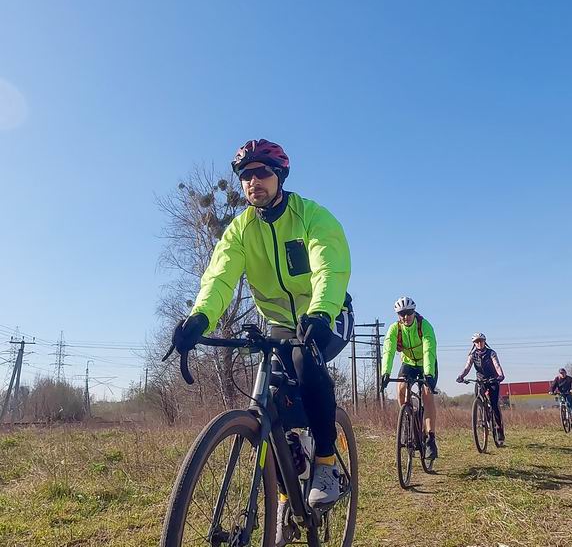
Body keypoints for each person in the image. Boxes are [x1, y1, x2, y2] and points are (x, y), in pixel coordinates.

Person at [165, 139, 353, 545]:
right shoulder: (240, 230)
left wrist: (321, 311)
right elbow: (219, 277)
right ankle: (285, 495)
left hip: (328, 314)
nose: (254, 181)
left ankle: (325, 462)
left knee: (305, 363)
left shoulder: (311, 216)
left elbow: (330, 266)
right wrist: (200, 317)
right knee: (273, 404)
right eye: (246, 175)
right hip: (280, 324)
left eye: (262, 172)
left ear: (280, 176)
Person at [381, 297, 439, 460]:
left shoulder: (424, 326)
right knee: (401, 388)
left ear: (414, 312)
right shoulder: (395, 329)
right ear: (398, 315)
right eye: (402, 314)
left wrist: (429, 374)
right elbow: (388, 351)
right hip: (409, 363)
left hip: (426, 363)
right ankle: (407, 420)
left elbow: (429, 350)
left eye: (409, 313)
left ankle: (430, 439)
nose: (405, 317)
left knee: (427, 395)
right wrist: (385, 373)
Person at [456, 332, 506, 445]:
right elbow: (467, 367)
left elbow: (497, 365)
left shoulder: (491, 353)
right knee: (478, 398)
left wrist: (500, 375)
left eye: (481, 341)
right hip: (480, 380)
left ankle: (499, 430)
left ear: (484, 342)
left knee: (494, 404)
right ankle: (483, 415)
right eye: (476, 342)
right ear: (474, 343)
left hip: (493, 379)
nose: (479, 343)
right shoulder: (472, 355)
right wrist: (461, 376)